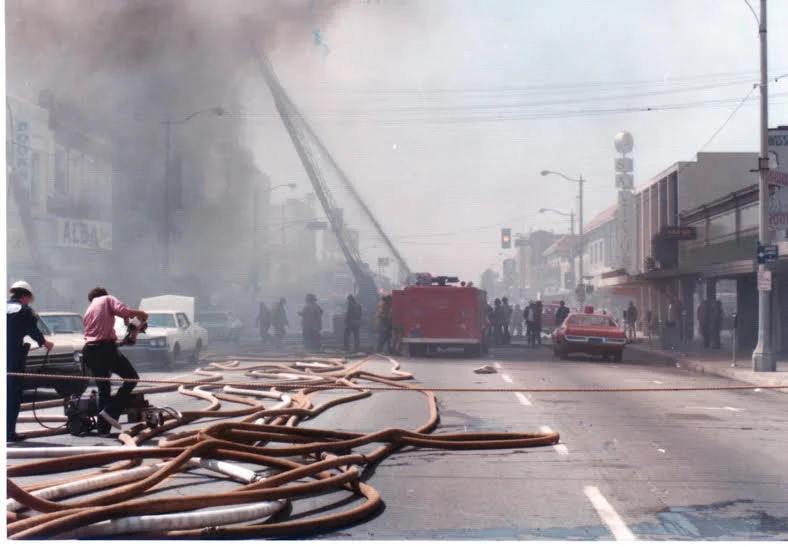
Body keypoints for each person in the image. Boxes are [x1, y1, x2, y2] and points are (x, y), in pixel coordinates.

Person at [82, 287, 148, 435]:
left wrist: (125, 340)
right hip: (104, 349)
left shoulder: (88, 311)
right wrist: (141, 314)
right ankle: (111, 411)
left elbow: (100, 335)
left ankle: (103, 429)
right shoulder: (107, 299)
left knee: (103, 388)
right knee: (131, 379)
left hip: (90, 351)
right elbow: (124, 311)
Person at [7, 281, 54, 442]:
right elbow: (33, 330)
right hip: (13, 358)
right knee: (12, 395)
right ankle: (8, 432)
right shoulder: (24, 310)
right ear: (26, 296)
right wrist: (45, 343)